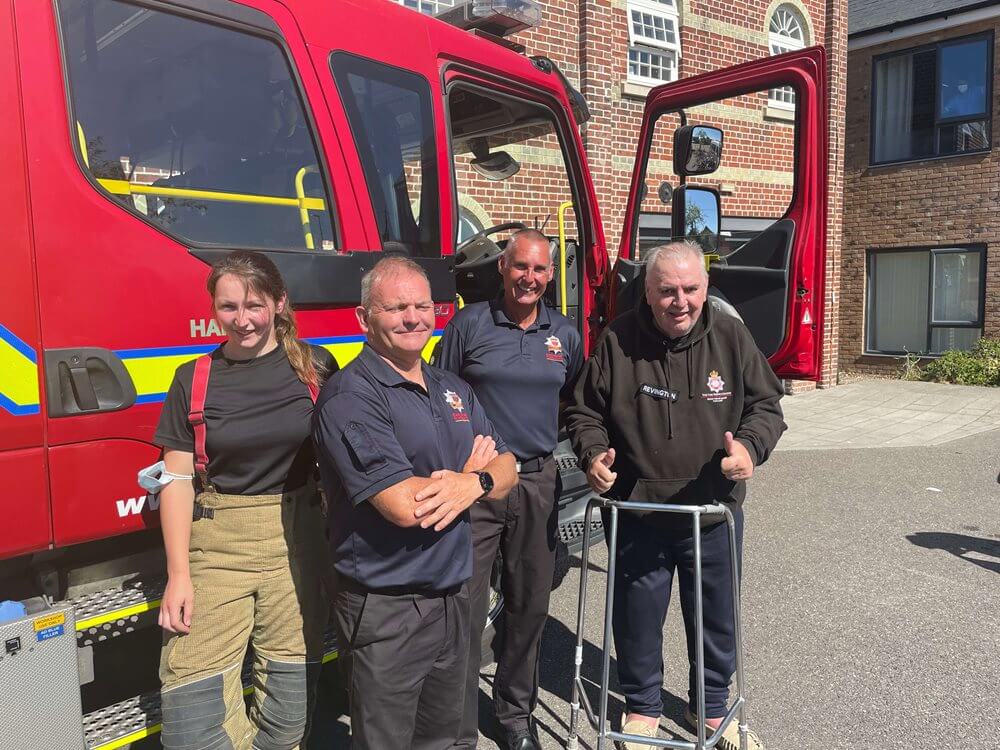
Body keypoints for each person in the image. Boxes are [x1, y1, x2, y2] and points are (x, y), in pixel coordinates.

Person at [565, 241, 785, 750]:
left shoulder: (730, 336)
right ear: (648, 291)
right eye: (667, 291)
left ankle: (710, 708)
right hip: (639, 510)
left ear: (706, 290)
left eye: (690, 289)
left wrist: (750, 449)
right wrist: (594, 454)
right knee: (637, 616)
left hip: (710, 511)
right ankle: (642, 707)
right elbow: (583, 412)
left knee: (714, 616)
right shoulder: (618, 341)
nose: (679, 301)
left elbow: (766, 406)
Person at [313, 256, 518, 750]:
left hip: (454, 596)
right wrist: (475, 473)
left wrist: (475, 484)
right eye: (397, 307)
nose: (414, 318)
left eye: (423, 305)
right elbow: (405, 505)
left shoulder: (451, 387)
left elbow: (509, 466)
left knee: (448, 740)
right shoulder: (351, 397)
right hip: (388, 608)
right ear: (364, 319)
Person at [154, 250, 336, 750]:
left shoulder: (316, 367)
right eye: (228, 307)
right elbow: (175, 481)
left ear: (279, 303)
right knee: (193, 721)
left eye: (254, 305)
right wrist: (178, 576)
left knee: (288, 714)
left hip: (298, 544)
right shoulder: (192, 379)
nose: (242, 320)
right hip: (216, 546)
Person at [436, 229, 583, 750]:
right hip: (476, 483)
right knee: (465, 605)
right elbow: (438, 396)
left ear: (550, 274)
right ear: (503, 268)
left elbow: (573, 399)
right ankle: (455, 727)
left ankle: (514, 717)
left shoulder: (564, 334)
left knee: (529, 604)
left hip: (538, 480)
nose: (530, 279)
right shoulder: (469, 324)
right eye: (521, 267)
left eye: (541, 270)